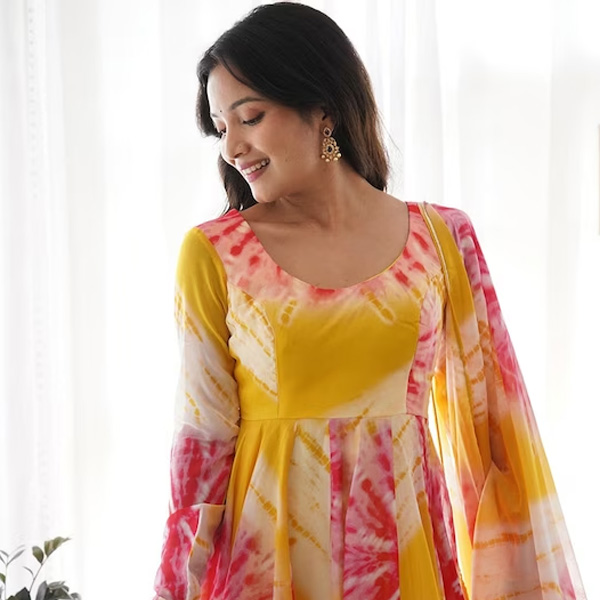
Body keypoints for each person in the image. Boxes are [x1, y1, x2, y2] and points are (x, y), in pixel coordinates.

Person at [153, 3, 586, 599]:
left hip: (404, 560)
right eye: (220, 129)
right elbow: (202, 446)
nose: (233, 147)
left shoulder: (443, 240)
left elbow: (495, 435)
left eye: (249, 117)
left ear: (324, 107)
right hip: (268, 568)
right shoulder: (215, 253)